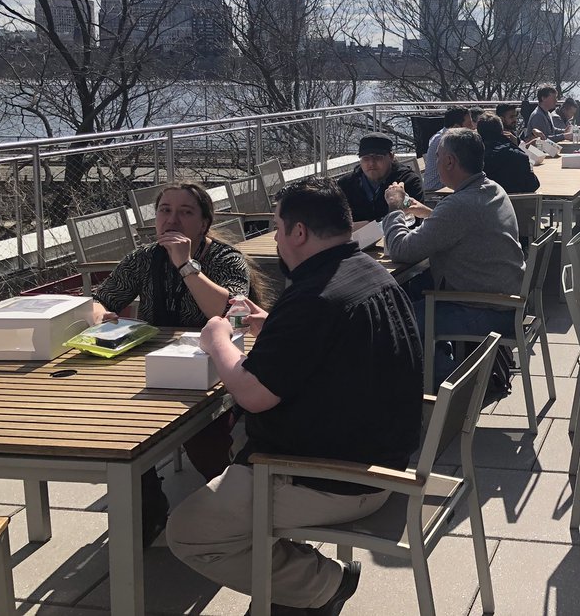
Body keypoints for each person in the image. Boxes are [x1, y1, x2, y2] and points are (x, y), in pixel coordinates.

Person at [166, 177, 423, 616]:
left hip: (331, 477)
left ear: (298, 232)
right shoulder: (366, 272)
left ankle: (322, 585)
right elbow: (334, 340)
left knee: (189, 532)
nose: (277, 239)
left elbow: (251, 394)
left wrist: (216, 340)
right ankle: (292, 585)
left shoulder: (315, 298)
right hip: (382, 455)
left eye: (277, 228)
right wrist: (275, 324)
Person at [91, 182, 255, 545]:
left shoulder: (225, 260)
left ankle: (235, 512)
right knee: (125, 427)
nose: (172, 219)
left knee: (203, 436)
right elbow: (101, 299)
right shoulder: (143, 258)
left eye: (185, 212)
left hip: (213, 366)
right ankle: (147, 505)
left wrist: (185, 265)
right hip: (153, 363)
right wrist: (104, 316)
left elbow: (229, 311)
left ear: (203, 223)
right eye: (164, 210)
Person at [382, 127, 525, 386]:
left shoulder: (459, 205)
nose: (434, 162)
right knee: (415, 297)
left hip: (484, 310)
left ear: (450, 161)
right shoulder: (491, 189)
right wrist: (413, 207)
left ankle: (449, 386)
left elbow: (402, 249)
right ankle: (447, 370)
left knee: (399, 321)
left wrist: (394, 209)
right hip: (505, 301)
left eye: (437, 156)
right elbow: (450, 222)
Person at [337, 132, 424, 225]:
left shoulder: (408, 181)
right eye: (366, 158)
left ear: (391, 157)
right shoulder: (346, 184)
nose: (371, 163)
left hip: (396, 236)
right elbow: (337, 222)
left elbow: (415, 221)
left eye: (378, 157)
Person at [478, 114, 540, 193]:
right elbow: (534, 185)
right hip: (515, 204)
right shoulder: (519, 156)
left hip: (485, 203)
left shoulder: (474, 158)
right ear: (502, 131)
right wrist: (516, 147)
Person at [423, 106, 473, 192]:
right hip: (436, 193)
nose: (473, 127)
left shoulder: (440, 136)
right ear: (456, 127)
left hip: (445, 189)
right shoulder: (444, 141)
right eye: (469, 124)